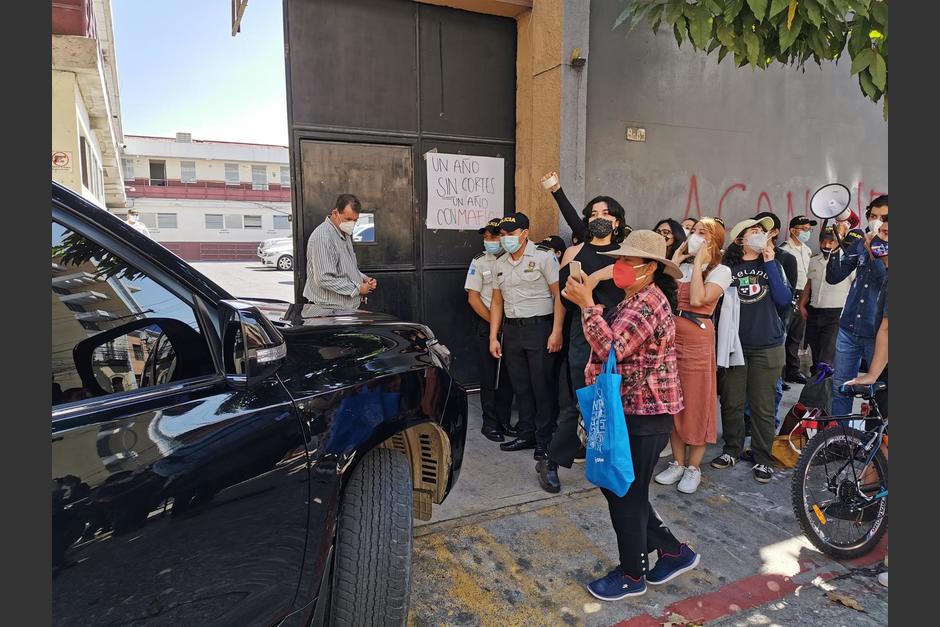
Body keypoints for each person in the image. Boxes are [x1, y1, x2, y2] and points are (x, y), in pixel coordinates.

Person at [562, 230, 699, 600]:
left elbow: (610, 346)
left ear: (650, 268)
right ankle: (673, 552)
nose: (617, 267)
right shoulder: (635, 298)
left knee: (624, 493)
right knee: (624, 490)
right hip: (630, 411)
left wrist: (588, 304)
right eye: (617, 260)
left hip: (644, 413)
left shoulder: (647, 303)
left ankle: (632, 574)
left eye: (626, 262)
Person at [537, 192, 630, 493]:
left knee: (617, 400)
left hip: (619, 330)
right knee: (579, 400)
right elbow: (562, 298)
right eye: (593, 214)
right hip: (581, 332)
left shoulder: (627, 254)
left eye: (606, 213)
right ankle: (550, 462)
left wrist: (597, 278)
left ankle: (614, 462)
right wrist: (557, 330)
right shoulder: (574, 252)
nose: (598, 218)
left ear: (616, 221)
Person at [712, 217, 792, 484]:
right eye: (753, 232)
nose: (760, 235)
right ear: (740, 239)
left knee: (763, 406)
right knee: (732, 401)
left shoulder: (774, 264)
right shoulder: (727, 267)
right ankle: (732, 449)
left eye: (762, 232)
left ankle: (763, 457)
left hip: (767, 345)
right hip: (734, 344)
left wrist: (769, 261)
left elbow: (783, 300)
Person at [655, 218, 731, 495]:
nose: (695, 237)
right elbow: (663, 290)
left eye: (702, 234)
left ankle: (693, 467)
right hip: (673, 338)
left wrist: (699, 265)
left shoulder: (721, 271)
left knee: (698, 401)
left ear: (714, 241)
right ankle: (676, 462)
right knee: (674, 400)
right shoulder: (683, 268)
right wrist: (678, 257)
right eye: (694, 232)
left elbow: (699, 300)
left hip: (699, 340)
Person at [489, 213, 565, 460]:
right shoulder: (499, 263)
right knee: (521, 386)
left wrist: (556, 331)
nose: (506, 239)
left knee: (541, 386)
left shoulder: (543, 257)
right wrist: (494, 336)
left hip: (540, 329)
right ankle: (526, 433)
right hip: (512, 331)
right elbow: (497, 302)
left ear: (524, 233)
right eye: (502, 235)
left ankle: (544, 439)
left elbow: (558, 296)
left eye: (510, 234)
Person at [826, 195, 888, 417]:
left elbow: (884, 281)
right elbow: (833, 277)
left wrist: (877, 252)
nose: (877, 222)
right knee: (841, 386)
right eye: (873, 216)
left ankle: (874, 445)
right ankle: (840, 440)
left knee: (879, 392)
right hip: (849, 327)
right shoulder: (860, 243)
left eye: (883, 218)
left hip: (877, 332)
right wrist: (836, 246)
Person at [465, 218, 516, 442]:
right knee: (489, 376)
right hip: (487, 325)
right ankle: (490, 423)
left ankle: (504, 421)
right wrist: (494, 324)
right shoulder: (479, 262)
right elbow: (473, 298)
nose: (489, 242)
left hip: (513, 324)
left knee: (508, 376)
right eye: (486, 238)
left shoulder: (512, 260)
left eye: (493, 237)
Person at [303, 193, 377, 315]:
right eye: (348, 219)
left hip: (341, 311)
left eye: (355, 220)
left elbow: (348, 268)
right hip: (327, 312)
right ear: (335, 213)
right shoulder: (324, 237)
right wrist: (357, 288)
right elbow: (324, 279)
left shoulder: (344, 233)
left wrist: (364, 279)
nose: (352, 224)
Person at [798, 227, 854, 373]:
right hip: (814, 311)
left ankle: (825, 389)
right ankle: (816, 389)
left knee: (827, 358)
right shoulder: (814, 260)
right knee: (815, 354)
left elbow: (855, 288)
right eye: (824, 241)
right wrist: (802, 304)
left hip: (836, 314)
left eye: (831, 242)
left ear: (839, 242)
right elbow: (809, 284)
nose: (827, 246)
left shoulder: (847, 261)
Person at [779, 215, 817, 384]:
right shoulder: (785, 250)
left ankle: (792, 371)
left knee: (796, 335)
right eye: (804, 229)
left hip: (803, 294)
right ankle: (780, 374)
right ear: (793, 230)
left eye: (809, 229)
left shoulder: (807, 250)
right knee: (784, 334)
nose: (807, 232)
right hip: (790, 293)